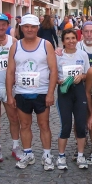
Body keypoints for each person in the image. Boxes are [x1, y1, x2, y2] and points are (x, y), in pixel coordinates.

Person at [6, 14, 58, 171]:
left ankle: (47, 155)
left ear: (37, 28)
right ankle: (28, 153)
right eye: (26, 26)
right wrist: (9, 95)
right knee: (25, 125)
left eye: (33, 27)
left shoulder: (45, 45)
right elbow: (10, 71)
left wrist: (50, 93)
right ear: (22, 28)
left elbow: (53, 69)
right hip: (22, 92)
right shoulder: (15, 46)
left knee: (44, 124)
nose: (29, 29)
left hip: (41, 92)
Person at [0, 13, 23, 162]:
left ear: (7, 26)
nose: (1, 27)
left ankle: (16, 147)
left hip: (10, 86)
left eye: (3, 24)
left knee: (14, 118)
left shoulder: (13, 41)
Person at [55, 29, 90, 169]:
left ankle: (81, 156)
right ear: (63, 41)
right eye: (67, 38)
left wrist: (81, 77)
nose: (71, 41)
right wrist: (59, 81)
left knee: (81, 125)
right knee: (66, 125)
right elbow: (53, 75)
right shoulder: (58, 56)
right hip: (65, 92)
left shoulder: (83, 54)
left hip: (79, 91)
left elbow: (88, 73)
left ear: (77, 39)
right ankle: (61, 156)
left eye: (73, 38)